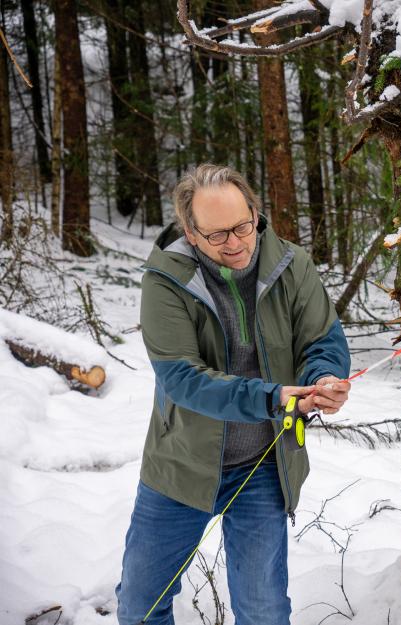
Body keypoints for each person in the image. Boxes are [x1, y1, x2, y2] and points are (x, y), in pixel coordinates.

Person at [116, 164, 351, 625]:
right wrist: (273, 397)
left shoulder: (291, 265)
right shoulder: (166, 280)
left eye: (244, 225)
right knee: (140, 606)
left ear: (255, 213)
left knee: (263, 611)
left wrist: (323, 378)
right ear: (191, 232)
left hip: (265, 464)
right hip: (181, 465)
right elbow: (183, 380)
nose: (237, 242)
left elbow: (322, 341)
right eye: (219, 234)